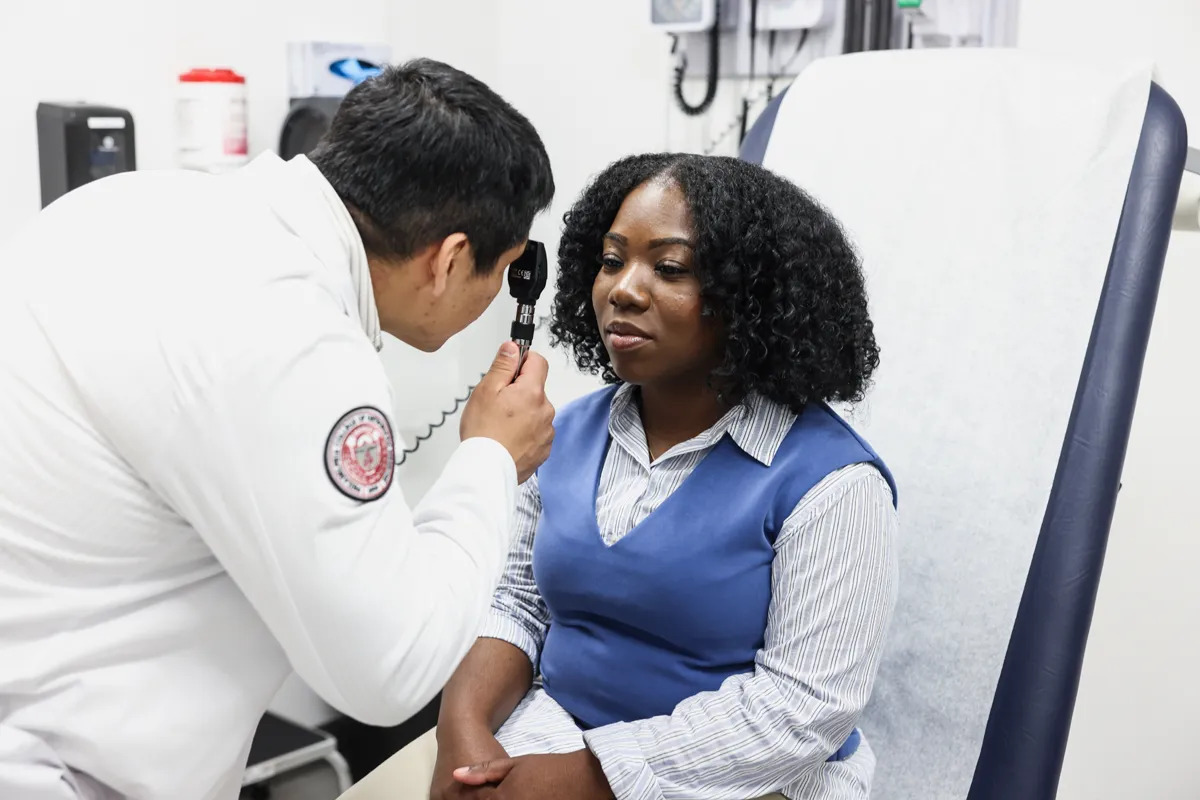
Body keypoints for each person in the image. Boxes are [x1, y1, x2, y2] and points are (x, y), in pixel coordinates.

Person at [0, 59, 557, 800]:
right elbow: (391, 669)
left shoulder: (129, 205)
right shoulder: (294, 336)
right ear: (451, 259)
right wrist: (490, 457)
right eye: (503, 271)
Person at [342, 153, 899, 800]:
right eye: (611, 261)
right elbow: (515, 602)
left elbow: (803, 708)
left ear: (752, 297)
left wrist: (586, 778)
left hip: (740, 778)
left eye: (668, 268)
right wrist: (462, 730)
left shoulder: (833, 483)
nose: (623, 290)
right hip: (555, 732)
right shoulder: (560, 436)